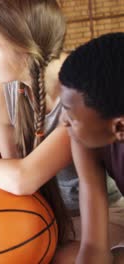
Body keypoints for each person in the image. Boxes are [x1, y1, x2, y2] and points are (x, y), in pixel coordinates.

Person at [0, 0, 123, 262]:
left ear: (25, 50)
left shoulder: (79, 97)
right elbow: (15, 185)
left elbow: (24, 177)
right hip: (50, 214)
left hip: (103, 215)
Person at [58, 32, 124, 263]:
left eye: (71, 114)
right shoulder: (84, 138)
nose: (63, 121)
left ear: (119, 127)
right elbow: (94, 246)